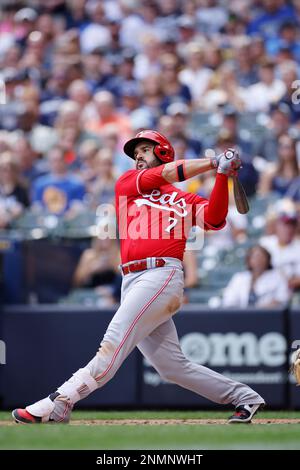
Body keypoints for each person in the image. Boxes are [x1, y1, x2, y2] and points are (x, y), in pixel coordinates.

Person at [12, 130, 265, 425]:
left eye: (145, 149)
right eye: (136, 152)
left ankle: (58, 403)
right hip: (132, 280)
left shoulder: (184, 200)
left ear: (163, 152)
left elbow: (215, 219)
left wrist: (222, 175)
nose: (139, 156)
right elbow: (168, 174)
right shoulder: (129, 184)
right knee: (172, 367)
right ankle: (245, 398)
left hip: (161, 274)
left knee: (111, 345)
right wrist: (213, 162)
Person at [223, 245, 290, 308]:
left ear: (268, 260)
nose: (258, 260)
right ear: (249, 260)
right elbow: (229, 301)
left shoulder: (278, 277)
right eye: (255, 257)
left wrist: (261, 308)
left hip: (268, 316)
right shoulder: (239, 278)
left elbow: (282, 300)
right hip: (241, 316)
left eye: (261, 257)